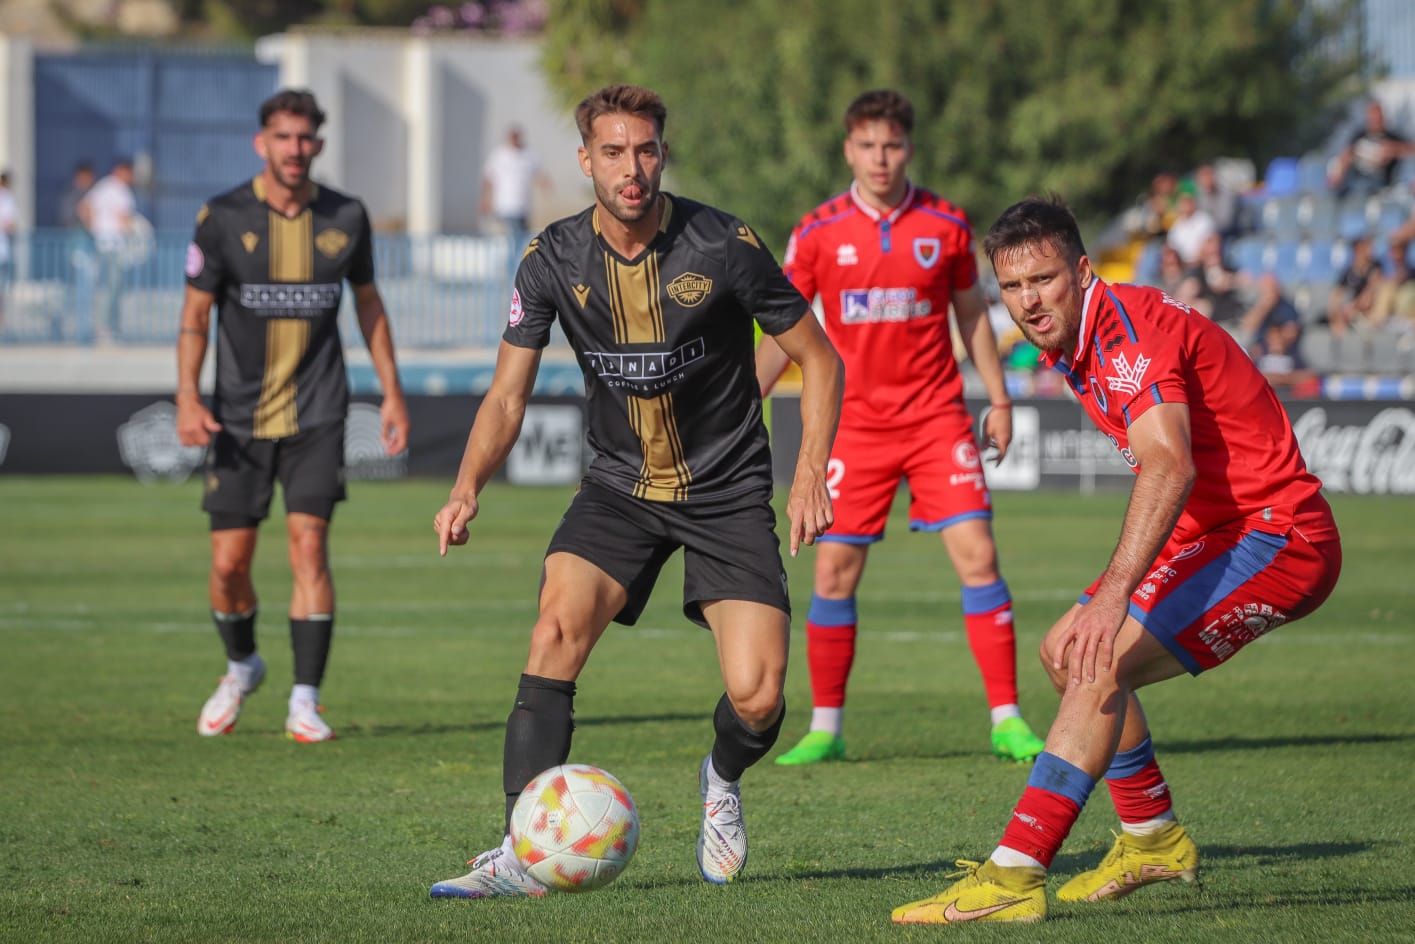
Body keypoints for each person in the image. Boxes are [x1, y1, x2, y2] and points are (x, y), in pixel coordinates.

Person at [427, 83, 843, 899]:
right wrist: (465, 486)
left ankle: (720, 779)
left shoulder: (723, 243)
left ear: (662, 155)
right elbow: (507, 395)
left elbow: (819, 358)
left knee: (758, 698)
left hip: (726, 491)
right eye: (613, 152)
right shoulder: (548, 259)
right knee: (554, 629)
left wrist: (807, 475)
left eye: (646, 150)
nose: (632, 168)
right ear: (585, 161)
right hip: (619, 488)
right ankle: (523, 845)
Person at [892, 196, 1341, 925]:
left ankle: (1013, 876)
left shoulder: (1127, 333)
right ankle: (1151, 836)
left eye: (1042, 280)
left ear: (1080, 270)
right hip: (1218, 531)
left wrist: (1111, 598)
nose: (1027, 302)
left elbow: (1167, 467)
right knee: (1063, 653)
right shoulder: (1081, 336)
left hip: (1278, 536)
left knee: (1096, 655)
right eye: (1011, 288)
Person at [755, 89, 1046, 767]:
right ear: (847, 150)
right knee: (832, 571)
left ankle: (1006, 718)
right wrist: (744, 396)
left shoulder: (944, 224)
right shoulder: (819, 231)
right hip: (851, 424)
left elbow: (971, 314)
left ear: (907, 148)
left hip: (934, 418)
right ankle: (826, 727)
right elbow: (784, 325)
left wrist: (997, 398)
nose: (879, 159)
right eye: (866, 146)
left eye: (890, 145)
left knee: (977, 555)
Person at [175, 89, 410, 745]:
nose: (295, 149)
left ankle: (305, 701)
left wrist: (391, 392)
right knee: (229, 565)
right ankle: (242, 665)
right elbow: (195, 317)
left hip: (318, 411)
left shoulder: (346, 216)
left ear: (318, 145)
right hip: (237, 420)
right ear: (263, 143)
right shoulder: (221, 217)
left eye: (305, 138)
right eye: (283, 137)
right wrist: (188, 398)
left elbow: (369, 305)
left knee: (309, 545)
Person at [78, 157, 137, 343]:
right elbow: (125, 218)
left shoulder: (101, 187)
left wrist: (94, 229)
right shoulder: (121, 191)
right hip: (114, 245)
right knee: (111, 288)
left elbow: (84, 207)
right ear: (122, 171)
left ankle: (104, 327)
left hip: (100, 243)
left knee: (104, 287)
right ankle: (107, 328)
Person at [481, 125, 550, 253]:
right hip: (506, 205)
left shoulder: (529, 155)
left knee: (521, 238)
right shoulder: (499, 155)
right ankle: (513, 268)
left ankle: (517, 265)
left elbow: (539, 173)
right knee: (514, 236)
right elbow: (488, 179)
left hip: (523, 206)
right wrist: (486, 200)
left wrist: (545, 185)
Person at [1327, 100, 1415, 200]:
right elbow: (1346, 155)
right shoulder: (1359, 136)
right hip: (1357, 177)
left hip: (1380, 182)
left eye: (1379, 117)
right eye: (1373, 117)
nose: (1376, 120)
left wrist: (1395, 149)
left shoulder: (1392, 138)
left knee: (1364, 187)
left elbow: (1411, 149)